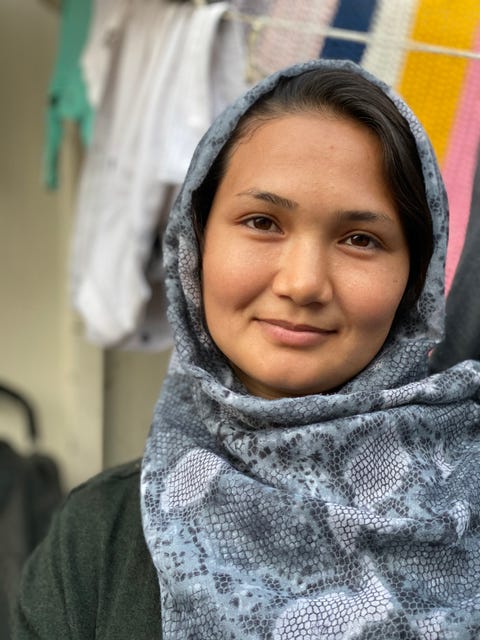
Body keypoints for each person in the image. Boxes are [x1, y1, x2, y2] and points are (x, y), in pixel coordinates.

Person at [12, 59, 480, 639]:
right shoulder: (99, 537)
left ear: (415, 280)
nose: (303, 283)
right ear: (196, 245)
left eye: (361, 239)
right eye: (262, 222)